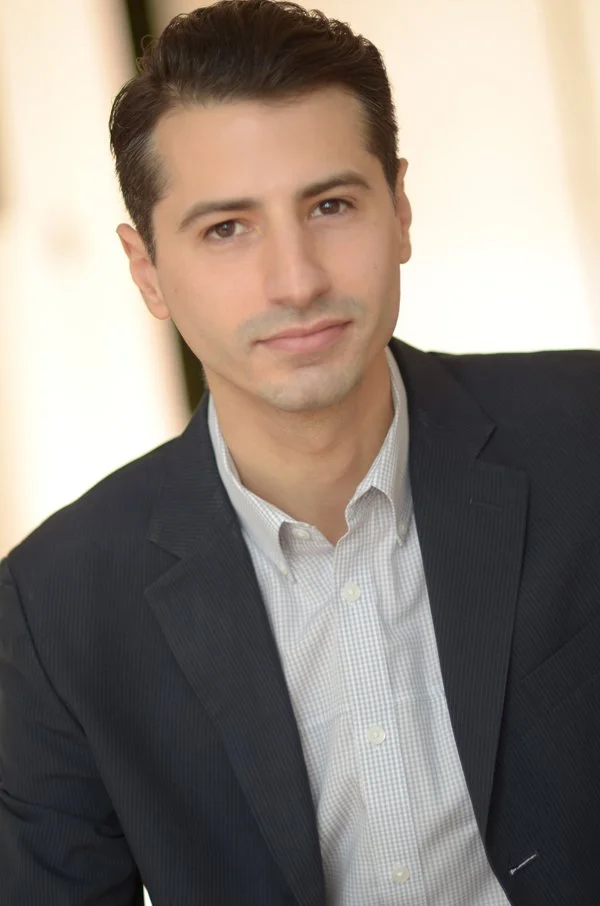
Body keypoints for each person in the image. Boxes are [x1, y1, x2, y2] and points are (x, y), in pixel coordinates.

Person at [1, 1, 599, 903]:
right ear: (147, 270)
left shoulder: (584, 434)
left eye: (330, 205)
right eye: (227, 229)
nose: (297, 282)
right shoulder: (53, 613)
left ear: (399, 209)